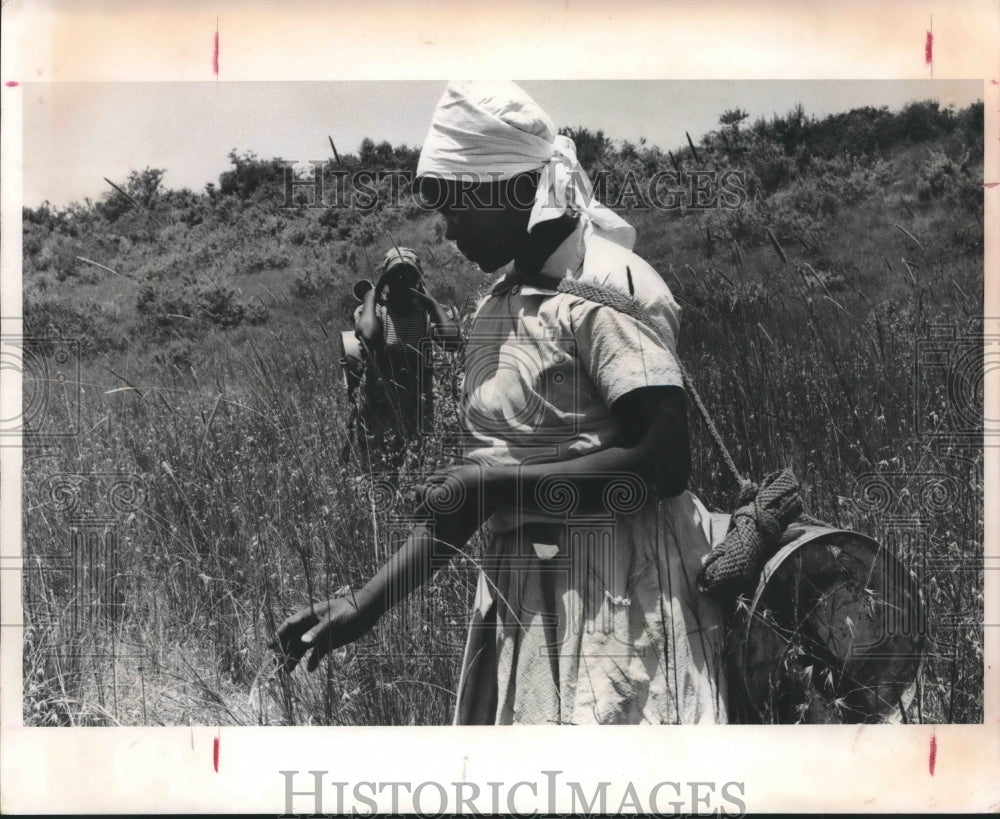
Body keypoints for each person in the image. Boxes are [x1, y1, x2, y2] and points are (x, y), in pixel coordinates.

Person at [277, 81, 727, 725]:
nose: (447, 226)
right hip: (525, 602)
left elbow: (663, 461)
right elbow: (475, 496)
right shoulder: (497, 305)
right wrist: (364, 603)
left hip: (619, 606)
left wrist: (495, 489)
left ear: (514, 188)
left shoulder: (610, 287)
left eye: (456, 204)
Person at [346, 247, 459, 467]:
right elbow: (367, 334)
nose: (402, 281)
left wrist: (430, 300)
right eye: (395, 275)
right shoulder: (377, 311)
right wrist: (371, 295)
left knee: (418, 466)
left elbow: (453, 341)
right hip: (381, 406)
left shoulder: (426, 314)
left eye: (409, 276)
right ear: (386, 280)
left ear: (418, 281)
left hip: (418, 408)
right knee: (381, 468)